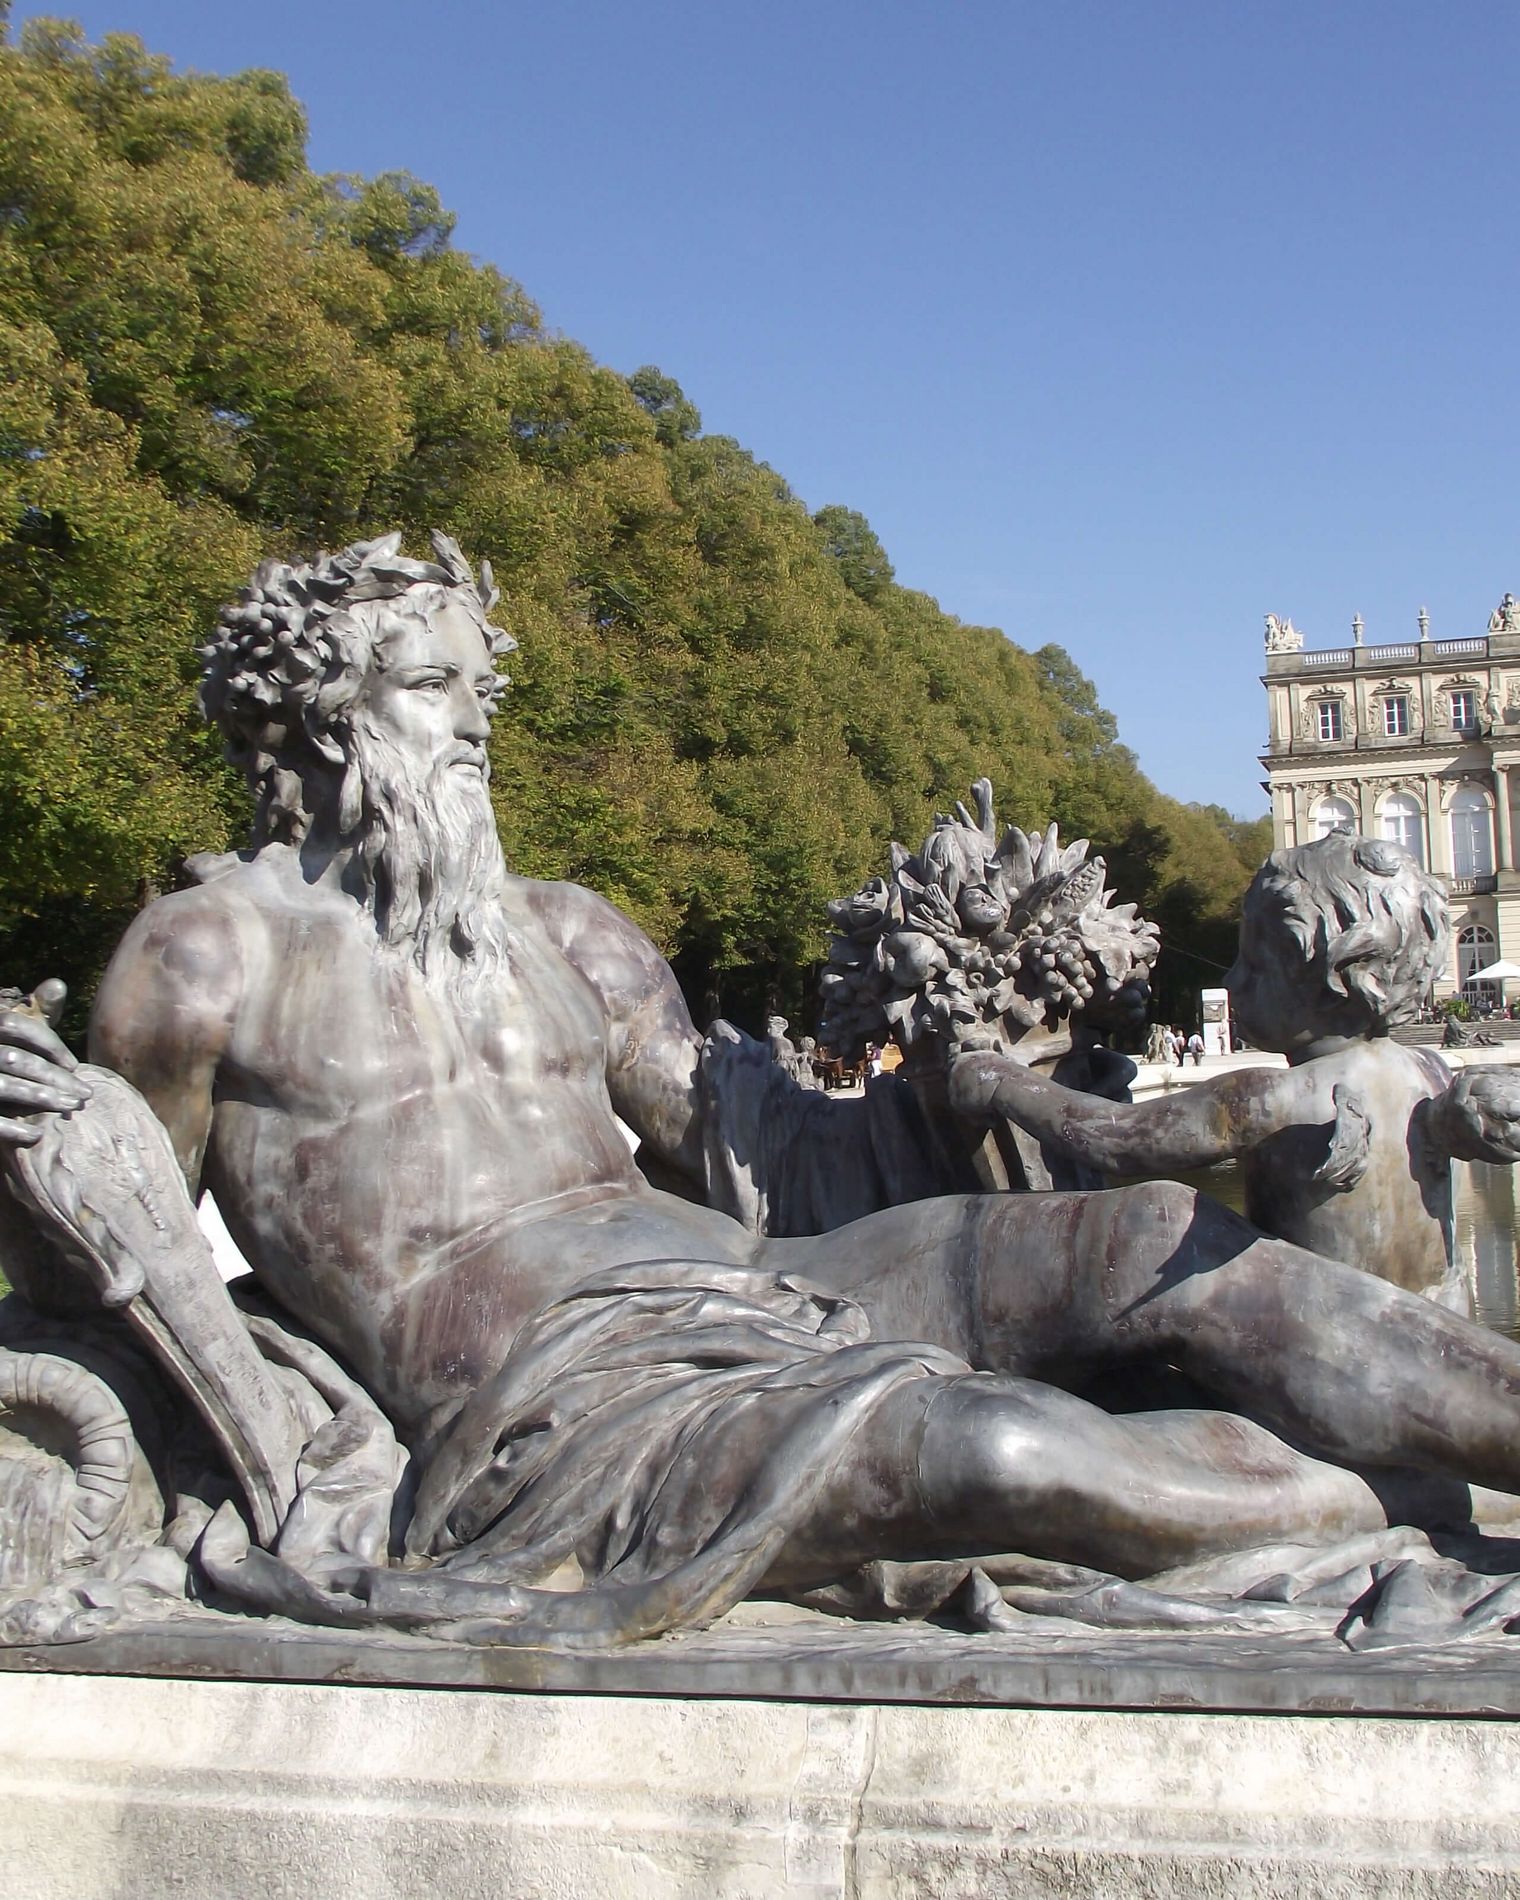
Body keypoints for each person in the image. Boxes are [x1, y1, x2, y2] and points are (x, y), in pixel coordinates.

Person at [9, 534, 1520, 1636]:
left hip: (759, 1271)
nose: (477, 722)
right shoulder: (206, 960)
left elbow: (757, 1146)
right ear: (327, 709)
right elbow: (117, 1250)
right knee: (988, 1446)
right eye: (436, 684)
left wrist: (953, 1082)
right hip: (560, 1407)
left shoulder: (566, 930)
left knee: (1147, 1246)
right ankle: (1373, 1516)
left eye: (484, 689)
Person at [949, 833, 1520, 1309]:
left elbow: (1117, 1142)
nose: (1231, 978)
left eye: (1253, 959)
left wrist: (1000, 1079)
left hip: (1325, 1356)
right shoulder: (1429, 1070)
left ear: (1334, 974)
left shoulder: (1277, 1098)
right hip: (1440, 1333)